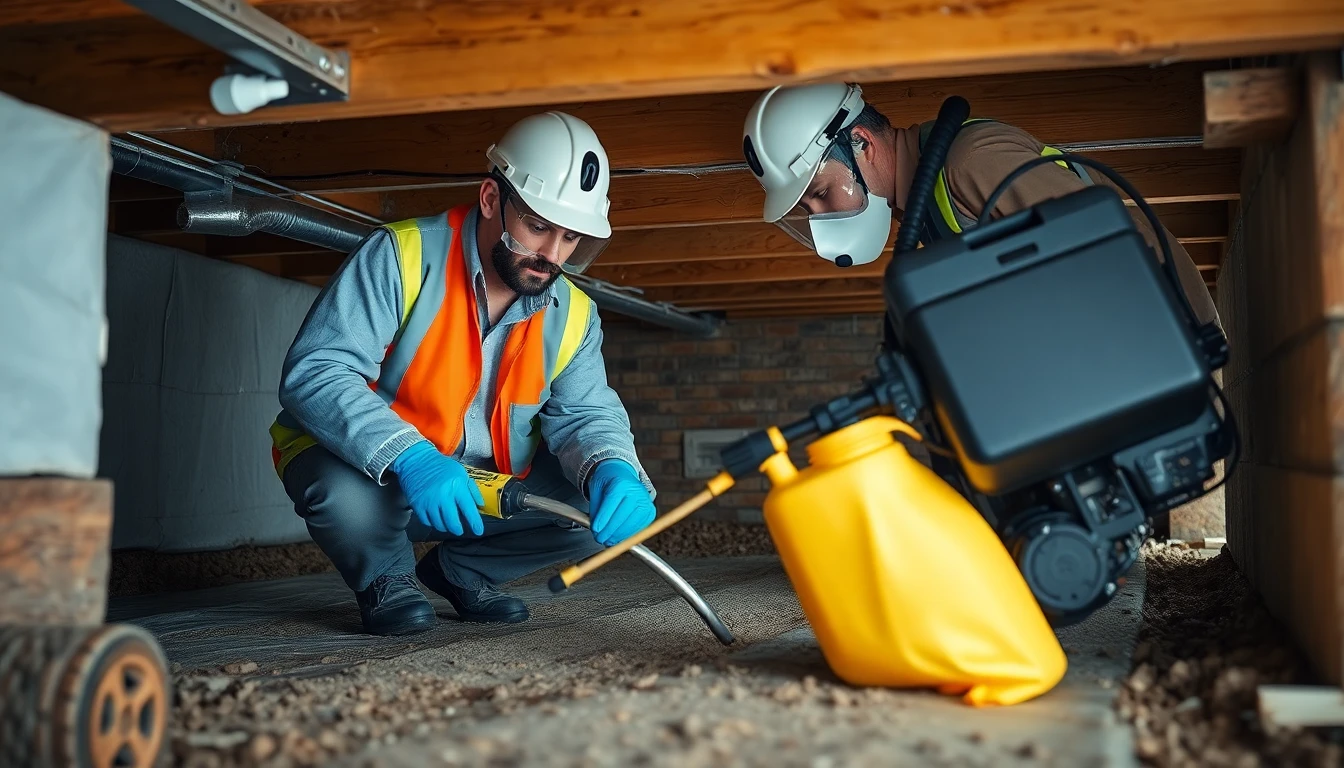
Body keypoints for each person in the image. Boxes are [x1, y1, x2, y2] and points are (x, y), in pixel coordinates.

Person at [268, 111, 657, 636]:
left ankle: (462, 572)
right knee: (343, 496)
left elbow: (587, 413)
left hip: (482, 484)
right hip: (375, 472)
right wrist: (412, 457)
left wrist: (612, 466)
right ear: (492, 200)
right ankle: (387, 578)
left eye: (571, 239)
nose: (551, 255)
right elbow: (316, 371)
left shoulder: (574, 313)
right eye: (538, 227)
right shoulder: (401, 255)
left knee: (597, 509)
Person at [739, 82, 1220, 330]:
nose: (822, 215)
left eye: (821, 192)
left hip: (1167, 340)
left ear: (860, 142)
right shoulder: (928, 209)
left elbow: (1117, 249)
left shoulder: (966, 163)